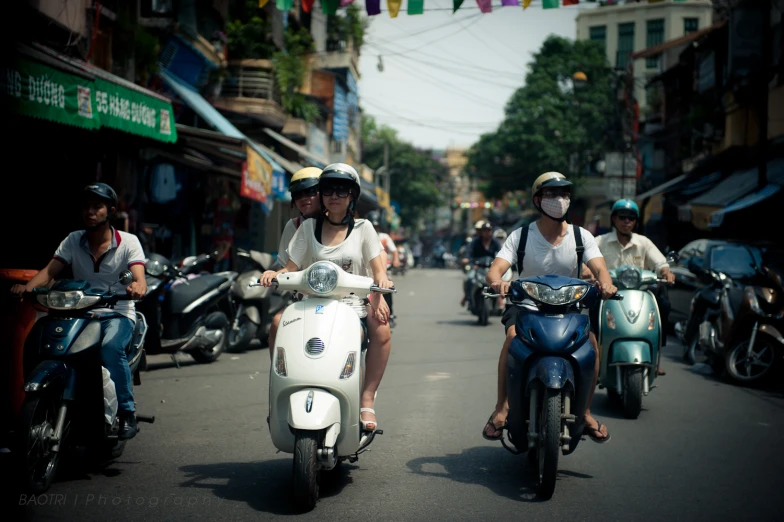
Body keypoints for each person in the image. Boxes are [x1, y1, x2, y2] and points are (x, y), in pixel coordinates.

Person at [482, 172, 617, 443]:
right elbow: (495, 270)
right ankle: (502, 408)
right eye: (552, 194)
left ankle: (586, 411)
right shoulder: (520, 236)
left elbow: (601, 269)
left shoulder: (582, 237)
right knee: (511, 339)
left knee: (591, 344)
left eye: (565, 194)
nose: (560, 200)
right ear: (537, 200)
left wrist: (606, 284)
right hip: (526, 306)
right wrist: (498, 282)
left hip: (572, 308)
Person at [260, 163, 394, 432]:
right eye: (328, 190)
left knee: (381, 331)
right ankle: (281, 391)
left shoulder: (364, 228)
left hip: (354, 305)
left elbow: (379, 271)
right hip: (311, 304)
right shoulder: (307, 228)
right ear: (321, 194)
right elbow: (290, 267)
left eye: (342, 191)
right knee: (277, 324)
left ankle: (366, 398)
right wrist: (274, 273)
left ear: (351, 196)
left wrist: (380, 289)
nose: (334, 195)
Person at [10, 183, 147, 440]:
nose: (90, 212)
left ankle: (127, 412)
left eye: (97, 207)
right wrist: (26, 288)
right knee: (42, 341)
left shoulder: (129, 242)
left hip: (116, 312)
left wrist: (138, 287)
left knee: (110, 348)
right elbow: (49, 272)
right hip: (79, 312)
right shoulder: (74, 239)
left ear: (111, 211)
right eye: (86, 206)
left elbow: (139, 277)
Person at [595, 199, 675, 376]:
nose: (626, 221)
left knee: (664, 305)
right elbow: (587, 259)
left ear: (635, 222)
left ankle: (655, 356)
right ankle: (593, 358)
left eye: (631, 218)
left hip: (639, 296)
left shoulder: (643, 242)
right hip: (608, 295)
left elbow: (660, 262)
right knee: (590, 312)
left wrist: (666, 272)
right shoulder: (600, 241)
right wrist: (586, 270)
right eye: (622, 217)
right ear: (614, 219)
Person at [266, 167, 323, 356]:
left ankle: (367, 385)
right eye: (298, 194)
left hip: (345, 300)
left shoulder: (343, 223)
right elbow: (286, 267)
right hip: (306, 299)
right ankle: (279, 375)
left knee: (375, 330)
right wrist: (273, 273)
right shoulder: (294, 226)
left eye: (310, 192)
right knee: (277, 323)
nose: (304, 198)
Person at [461, 221, 502, 307]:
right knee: (469, 279)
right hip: (477, 267)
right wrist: (466, 259)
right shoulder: (475, 242)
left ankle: (500, 299)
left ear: (491, 232)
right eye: (484, 230)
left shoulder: (496, 243)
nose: (486, 233)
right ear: (481, 232)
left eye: (488, 230)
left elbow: (502, 254)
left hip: (491, 268)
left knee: (501, 281)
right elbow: (468, 253)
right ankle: (468, 297)